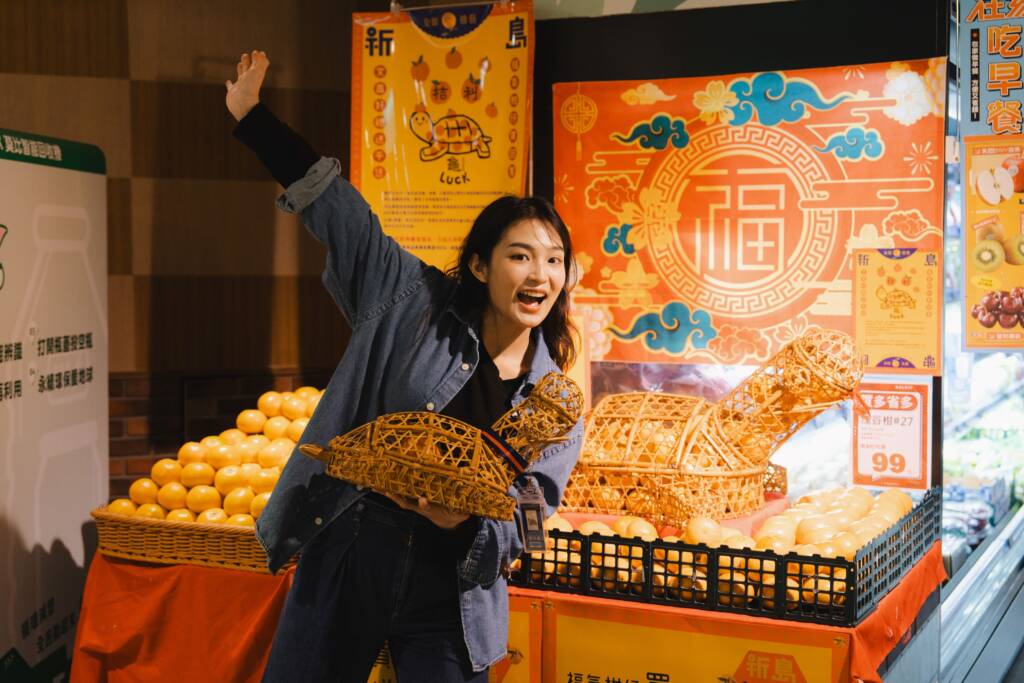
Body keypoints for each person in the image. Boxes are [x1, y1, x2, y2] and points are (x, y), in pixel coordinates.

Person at [225, 51, 583, 682]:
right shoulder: (412, 302)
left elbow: (531, 518)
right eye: (520, 256)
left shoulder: (553, 402)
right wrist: (254, 119)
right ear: (480, 265)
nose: (540, 274)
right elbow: (344, 217)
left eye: (554, 260)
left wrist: (467, 522)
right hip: (354, 549)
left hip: (454, 591)